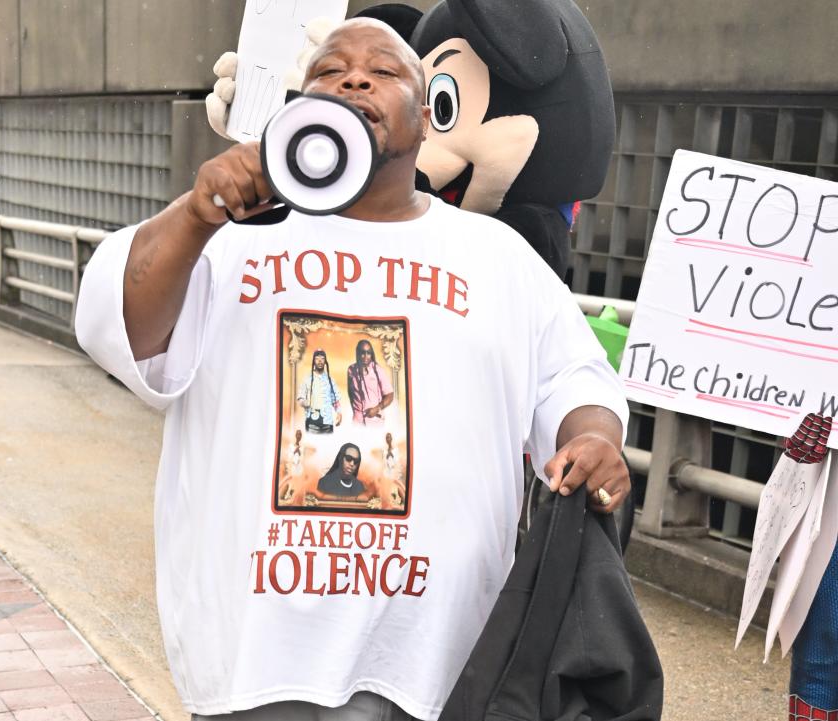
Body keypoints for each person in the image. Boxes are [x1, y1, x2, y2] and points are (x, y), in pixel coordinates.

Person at [75, 17, 631, 721]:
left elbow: (575, 376)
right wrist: (197, 213)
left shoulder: (497, 257)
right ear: (299, 104)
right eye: (330, 70)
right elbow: (119, 329)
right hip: (260, 664)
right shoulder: (232, 242)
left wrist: (593, 438)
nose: (355, 78)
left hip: (438, 662)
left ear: (429, 117)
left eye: (384, 70)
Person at [347, 340, 393, 426]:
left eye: (368, 353)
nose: (365, 356)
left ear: (371, 354)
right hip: (357, 421)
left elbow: (390, 395)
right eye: (362, 352)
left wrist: (377, 409)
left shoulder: (378, 370)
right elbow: (350, 393)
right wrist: (355, 411)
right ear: (358, 353)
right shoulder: (351, 369)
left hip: (375, 421)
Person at [297, 349, 342, 433]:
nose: (320, 361)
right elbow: (300, 398)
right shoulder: (307, 379)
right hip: (312, 422)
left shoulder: (330, 380)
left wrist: (339, 413)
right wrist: (305, 402)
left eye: (322, 358)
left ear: (325, 361)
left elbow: (335, 400)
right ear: (314, 361)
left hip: (327, 422)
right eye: (317, 359)